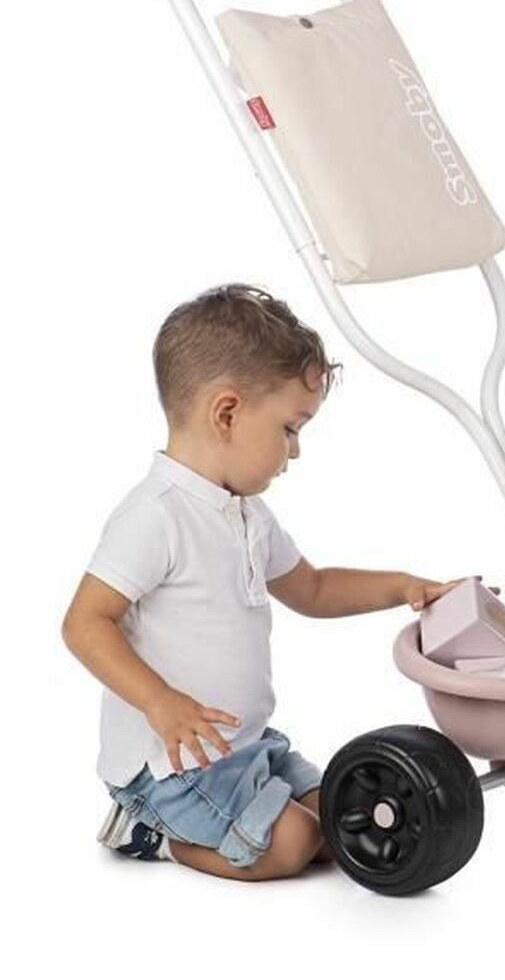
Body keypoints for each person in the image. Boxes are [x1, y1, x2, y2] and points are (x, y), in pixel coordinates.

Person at [63, 283, 467, 881]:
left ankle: (245, 815)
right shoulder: (156, 515)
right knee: (292, 845)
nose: (295, 451)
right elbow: (84, 623)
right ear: (226, 413)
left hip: (246, 747)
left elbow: (314, 589)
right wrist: (159, 701)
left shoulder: (250, 515)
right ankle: (151, 835)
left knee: (342, 820)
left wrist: (401, 586)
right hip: (173, 766)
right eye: (290, 428)